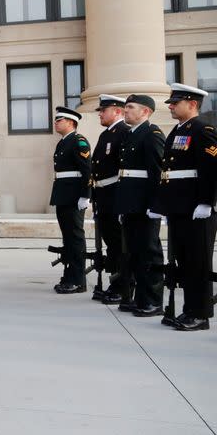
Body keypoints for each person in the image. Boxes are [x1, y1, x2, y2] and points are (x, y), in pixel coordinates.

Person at [152, 83, 217, 330]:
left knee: (198, 263)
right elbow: (167, 173)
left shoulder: (203, 129)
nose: (170, 105)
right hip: (179, 207)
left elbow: (211, 170)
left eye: (175, 102)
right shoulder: (177, 131)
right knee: (184, 263)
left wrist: (206, 202)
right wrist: (163, 205)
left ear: (192, 104)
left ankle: (199, 314)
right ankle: (188, 310)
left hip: (196, 208)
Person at [115, 94, 165, 317]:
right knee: (135, 252)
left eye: (130, 107)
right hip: (131, 203)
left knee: (149, 253)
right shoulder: (131, 135)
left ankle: (153, 301)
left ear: (145, 112)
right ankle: (140, 298)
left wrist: (156, 205)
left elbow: (157, 173)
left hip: (145, 204)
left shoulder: (151, 134)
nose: (125, 111)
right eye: (125, 107)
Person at [91, 95, 131, 304]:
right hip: (104, 196)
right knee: (111, 244)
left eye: (103, 110)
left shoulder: (123, 132)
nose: (100, 113)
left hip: (115, 194)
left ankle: (122, 285)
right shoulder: (105, 135)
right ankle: (115, 283)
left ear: (117, 111)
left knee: (119, 244)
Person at [49, 107, 92, 294]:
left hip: (74, 195)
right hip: (63, 193)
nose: (56, 122)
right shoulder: (62, 143)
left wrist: (85, 194)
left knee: (75, 237)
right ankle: (69, 275)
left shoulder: (78, 141)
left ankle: (78, 279)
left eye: (60, 120)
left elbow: (87, 169)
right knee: (67, 236)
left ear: (71, 123)